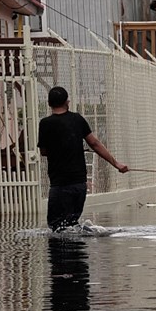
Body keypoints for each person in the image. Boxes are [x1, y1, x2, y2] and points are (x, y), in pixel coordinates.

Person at [38, 86, 128, 232]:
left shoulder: (45, 124)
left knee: (57, 228)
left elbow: (43, 151)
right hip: (79, 184)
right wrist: (117, 164)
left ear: (49, 103)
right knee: (72, 224)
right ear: (67, 102)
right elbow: (95, 144)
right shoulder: (77, 119)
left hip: (59, 185)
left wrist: (58, 150)